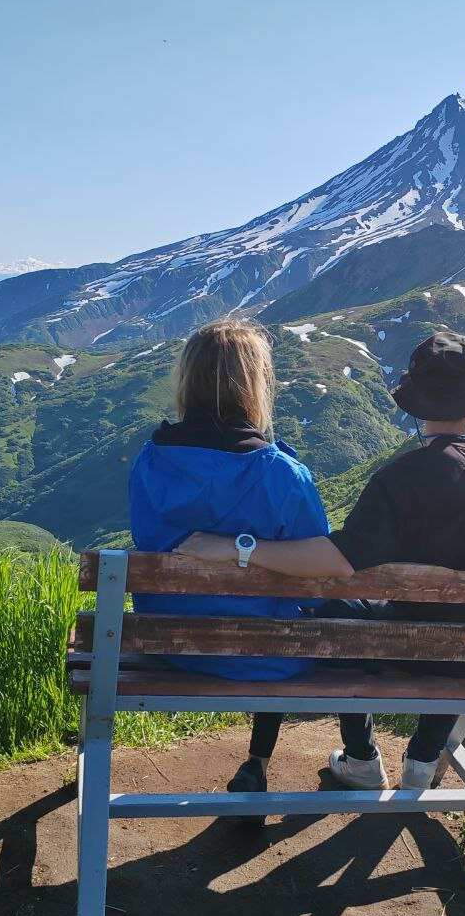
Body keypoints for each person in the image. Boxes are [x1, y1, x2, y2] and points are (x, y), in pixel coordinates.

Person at [178, 330, 465, 793]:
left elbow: (335, 560)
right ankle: (423, 759)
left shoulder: (402, 477)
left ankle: (361, 758)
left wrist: (238, 548)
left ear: (417, 404)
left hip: (408, 650)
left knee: (333, 612)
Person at [128, 318, 329, 794]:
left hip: (170, 646)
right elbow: (323, 567)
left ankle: (259, 763)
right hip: (268, 655)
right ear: (255, 382)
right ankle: (288, 760)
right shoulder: (281, 474)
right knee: (300, 615)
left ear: (188, 380)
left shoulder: (150, 464)